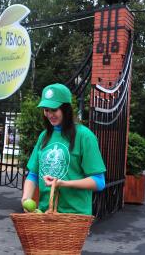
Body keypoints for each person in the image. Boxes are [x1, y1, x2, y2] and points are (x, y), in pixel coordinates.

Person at [21, 83, 106, 215]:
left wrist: (63, 183)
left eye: (54, 110)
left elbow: (99, 182)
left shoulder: (85, 136)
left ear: (66, 109)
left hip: (74, 215)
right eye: (46, 109)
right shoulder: (44, 136)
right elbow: (33, 174)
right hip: (45, 212)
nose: (49, 114)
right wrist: (26, 198)